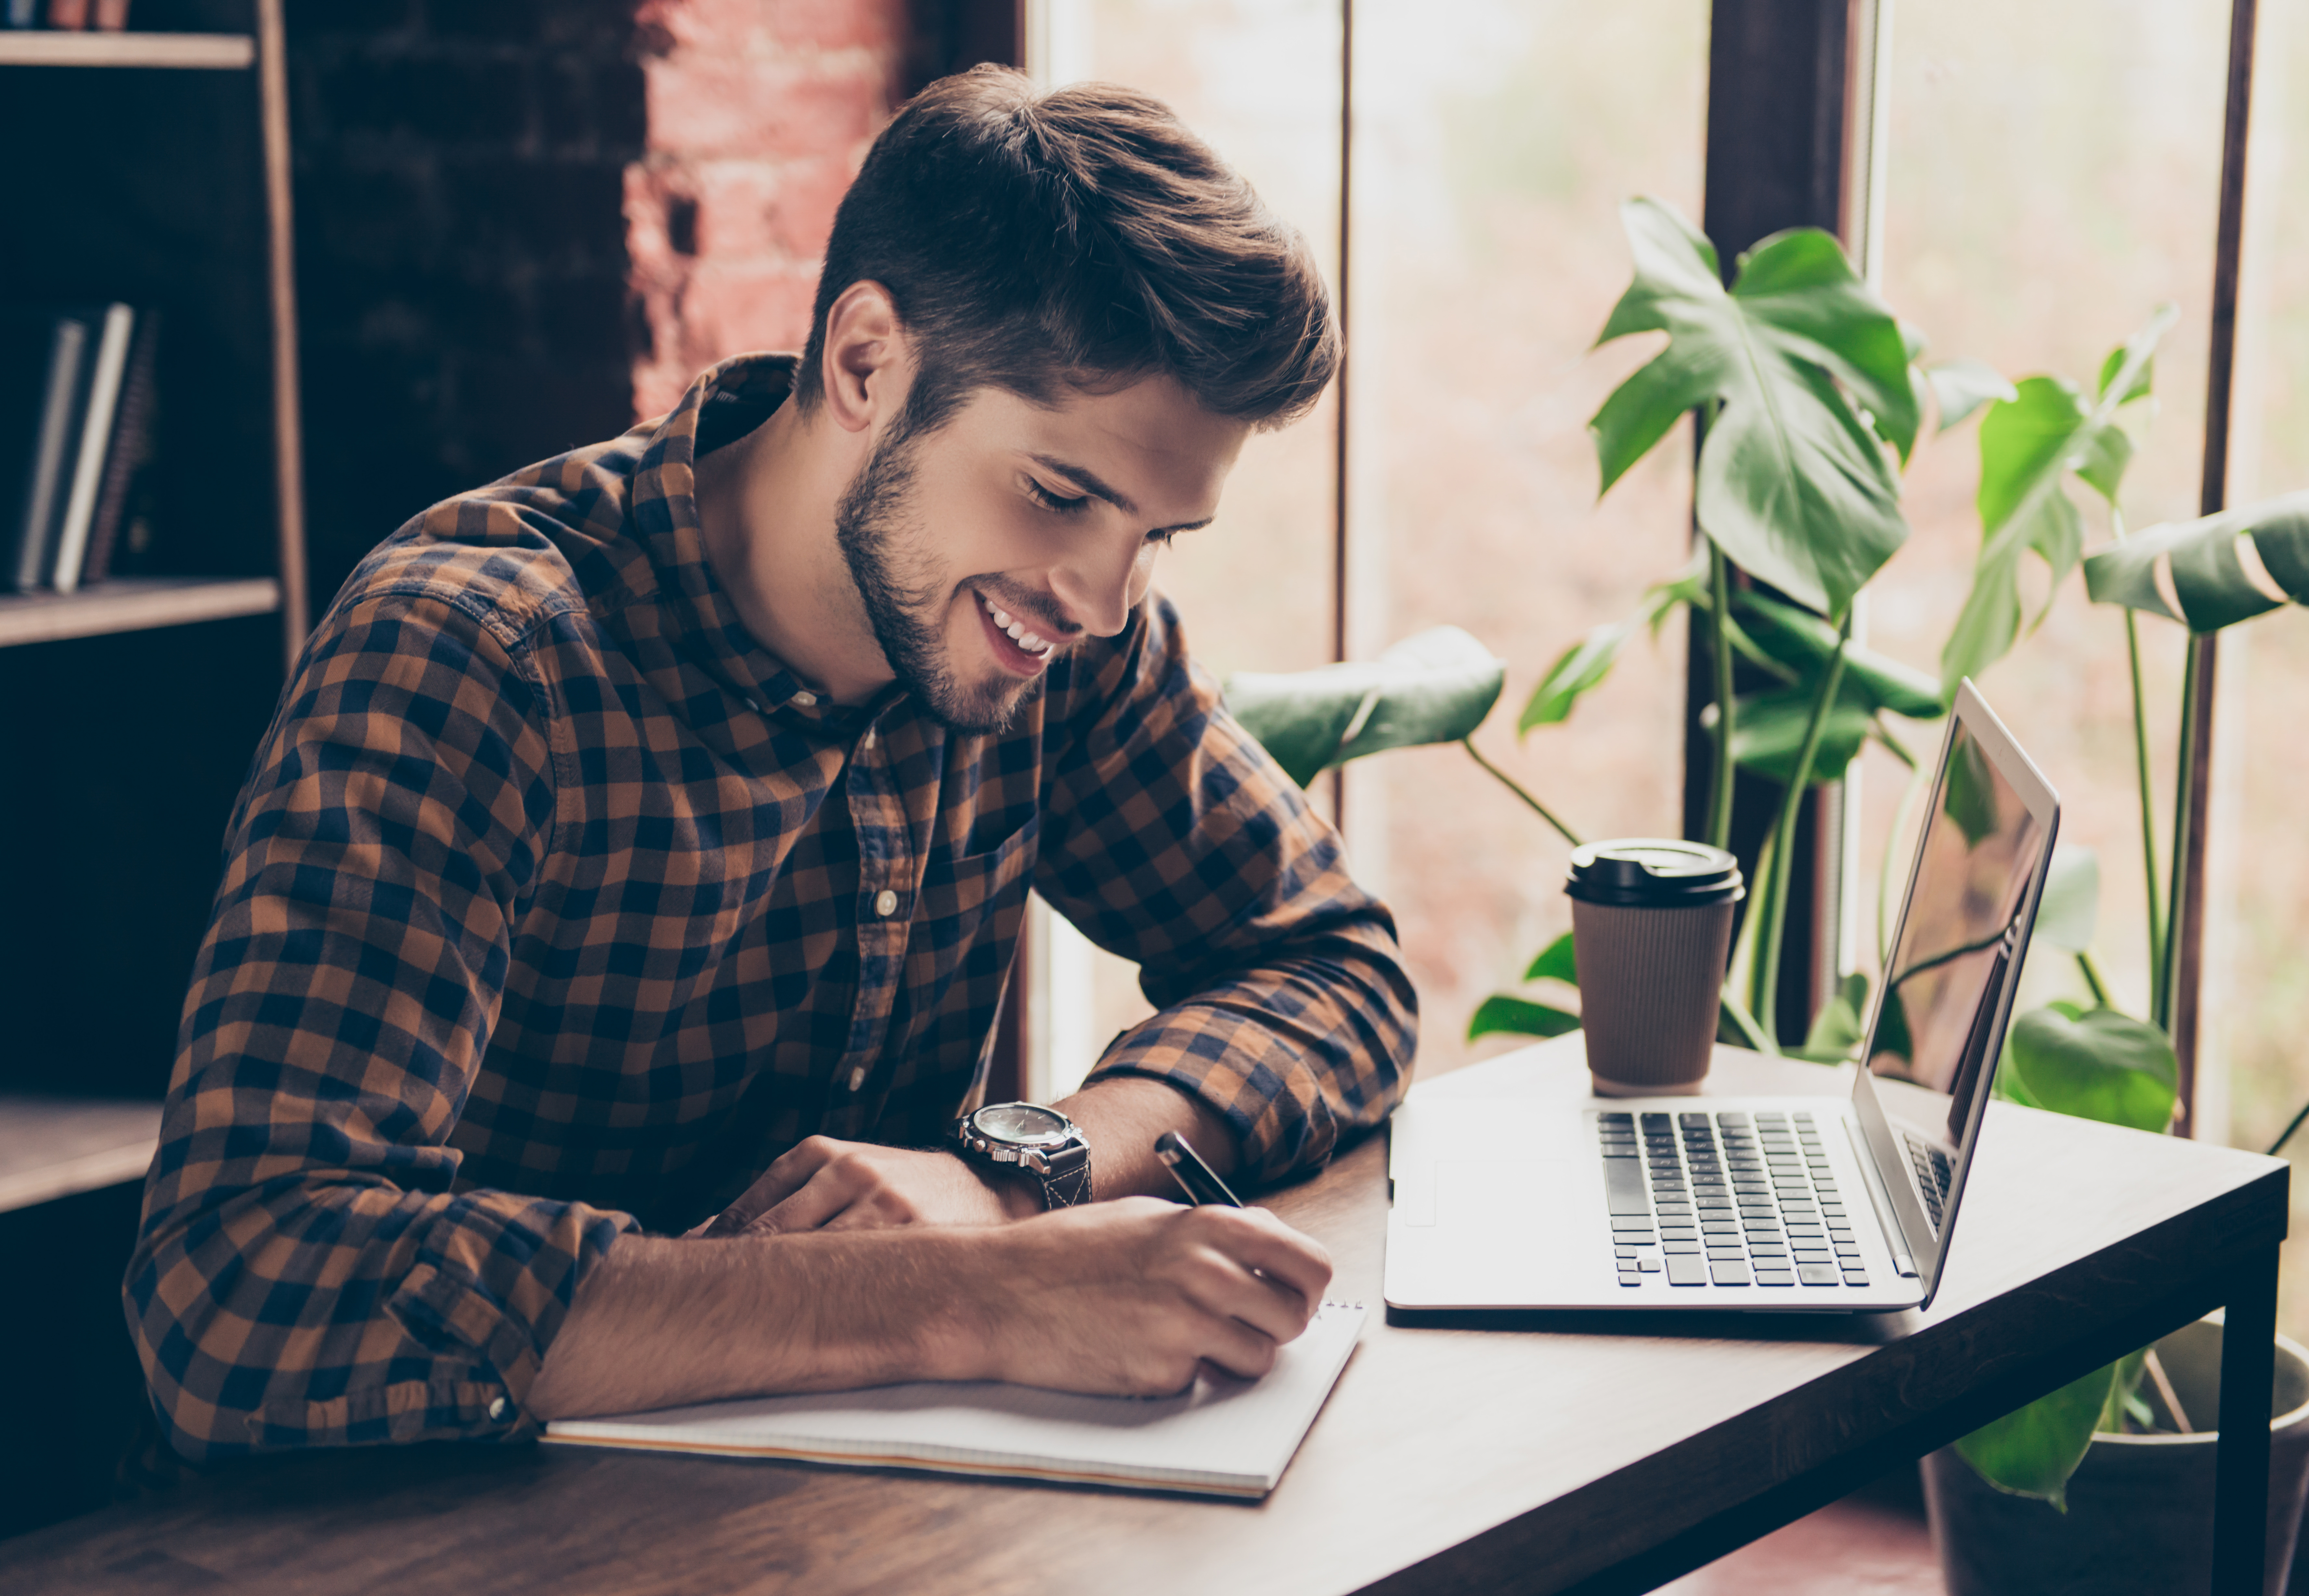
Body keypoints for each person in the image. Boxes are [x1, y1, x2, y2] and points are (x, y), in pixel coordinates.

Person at [123, 66, 1415, 1461]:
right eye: (1061, 492)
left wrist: (1025, 1172)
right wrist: (954, 1299)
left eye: (1157, 532)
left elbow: (1335, 968)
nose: (1103, 598)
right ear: (867, 362)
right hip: (427, 1525)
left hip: (838, 1506)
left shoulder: (1059, 628)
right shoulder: (480, 653)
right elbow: (239, 1287)